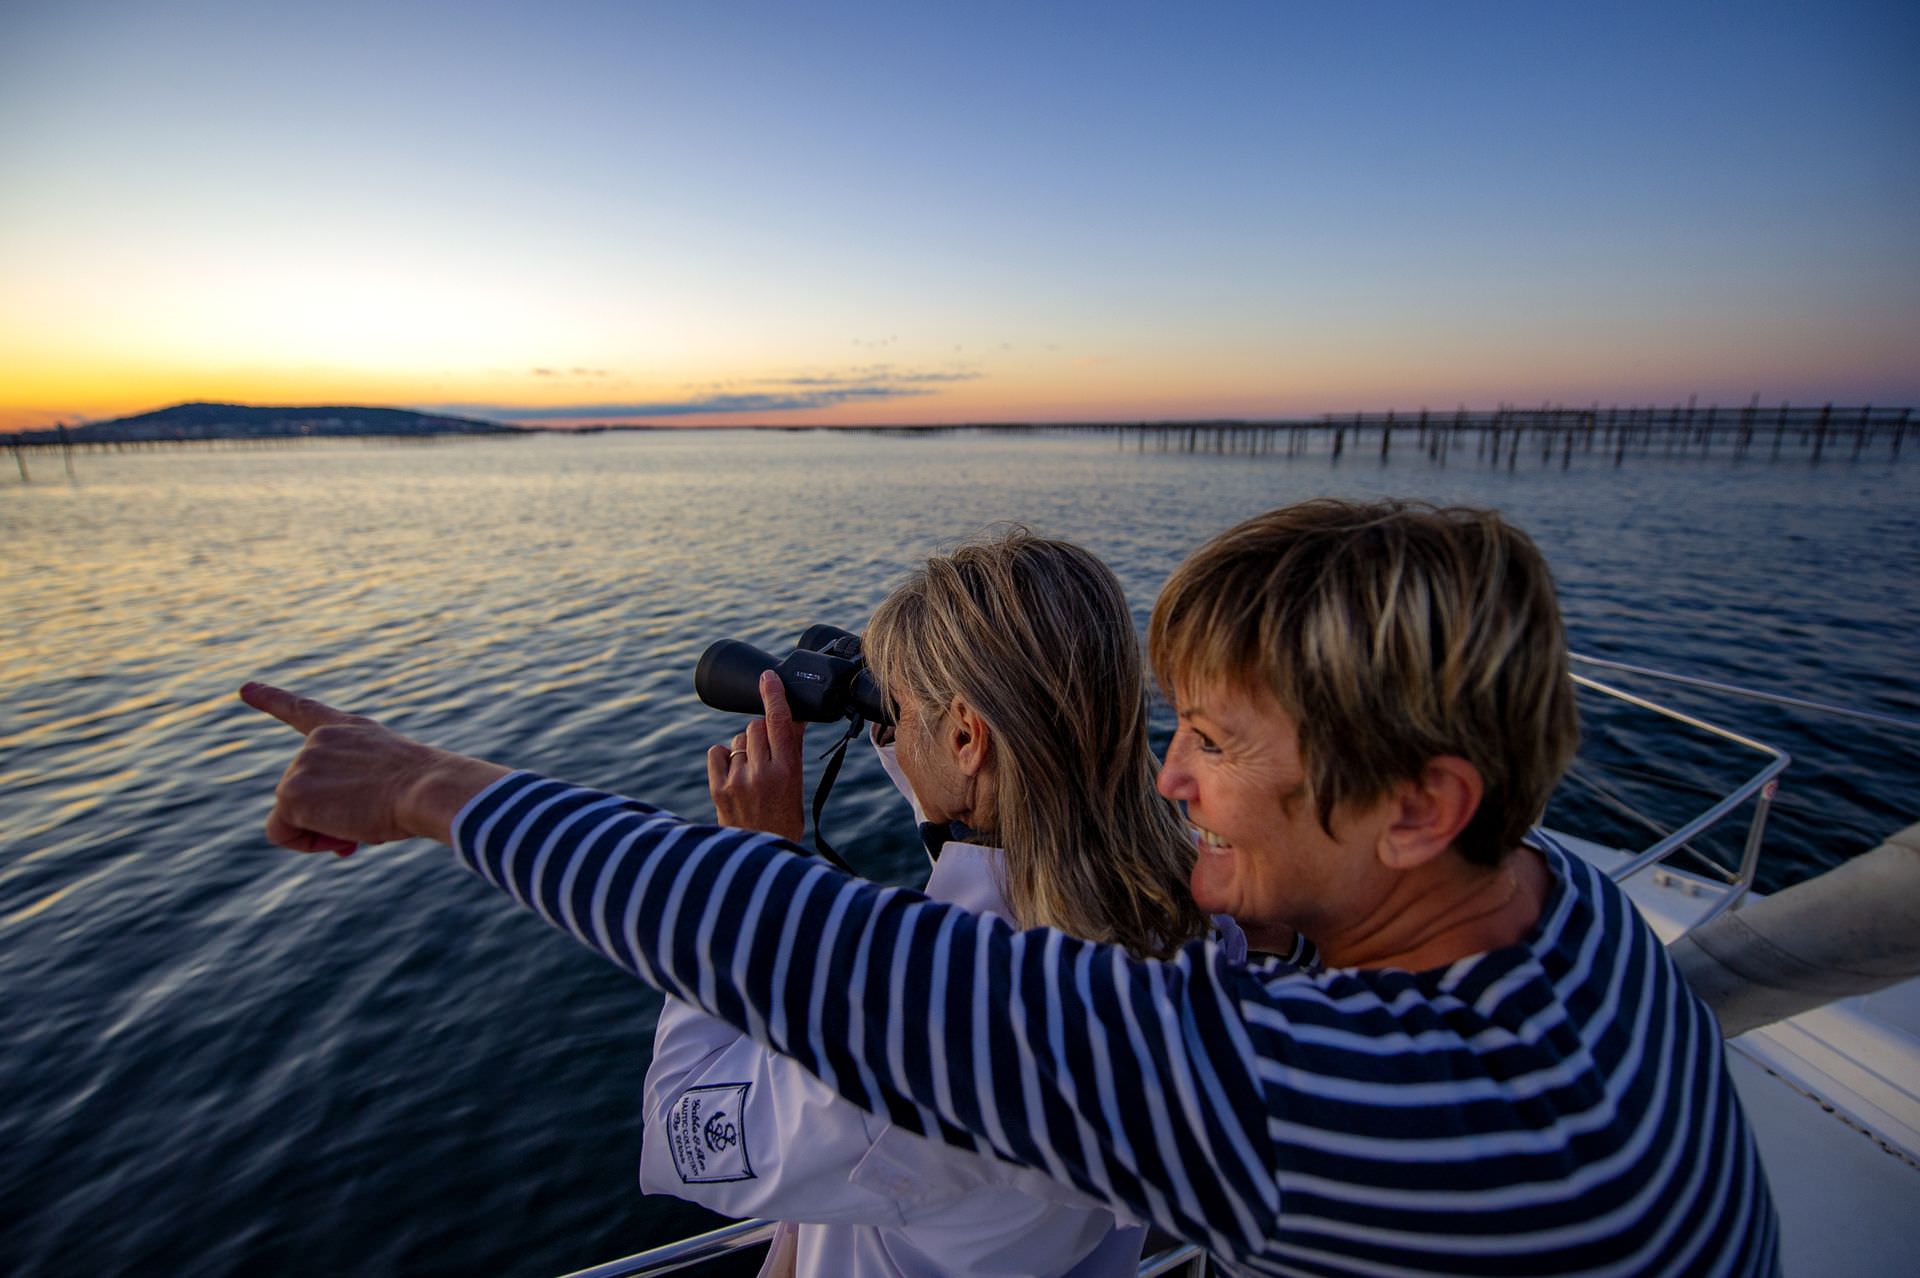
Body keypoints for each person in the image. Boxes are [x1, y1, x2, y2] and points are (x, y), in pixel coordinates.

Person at [243, 499, 1780, 1276]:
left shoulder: (1303, 1097)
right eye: (1164, 724)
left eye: (1220, 741)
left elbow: (836, 980)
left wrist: (429, 786)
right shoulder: (1566, 903)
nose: (1172, 783)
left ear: (1422, 806)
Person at [640, 531, 1210, 1276]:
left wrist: (749, 871)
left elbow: (680, 1129)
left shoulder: (909, 1041)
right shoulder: (1187, 904)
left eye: (902, 712)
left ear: (968, 734)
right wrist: (898, 709)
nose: (896, 729)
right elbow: (1006, 811)